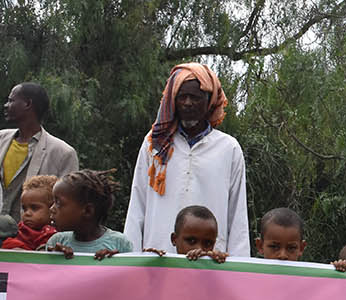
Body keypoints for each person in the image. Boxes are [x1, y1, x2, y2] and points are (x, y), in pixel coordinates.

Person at [124, 63, 249, 257]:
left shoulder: (228, 148)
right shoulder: (155, 143)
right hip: (157, 257)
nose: (188, 103)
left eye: (196, 97)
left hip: (211, 260)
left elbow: (237, 214)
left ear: (208, 101)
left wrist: (238, 268)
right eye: (182, 97)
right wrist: (131, 259)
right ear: (174, 100)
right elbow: (138, 203)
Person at [0, 81, 80, 222]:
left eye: (11, 100)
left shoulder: (63, 153)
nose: (6, 106)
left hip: (32, 237)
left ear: (28, 104)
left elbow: (66, 204)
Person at [45, 170, 134, 258]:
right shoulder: (57, 242)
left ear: (88, 211)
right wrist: (54, 259)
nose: (52, 209)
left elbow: (132, 271)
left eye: (58, 203)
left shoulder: (119, 243)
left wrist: (115, 261)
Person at [1, 174, 58, 250]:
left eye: (34, 208)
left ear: (52, 208)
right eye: (24, 209)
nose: (27, 213)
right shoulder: (20, 231)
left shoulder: (58, 234)